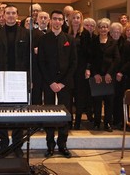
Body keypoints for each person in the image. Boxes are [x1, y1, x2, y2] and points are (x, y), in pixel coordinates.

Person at [0, 5, 30, 158]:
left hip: (19, 78)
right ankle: (3, 144)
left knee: (19, 112)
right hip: (0, 77)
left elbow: (29, 58)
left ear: (17, 15)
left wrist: (29, 79)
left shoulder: (26, 33)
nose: (11, 16)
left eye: (13, 13)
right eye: (8, 13)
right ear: (3, 15)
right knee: (1, 112)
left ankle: (17, 144)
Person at [38, 10, 77, 158]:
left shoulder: (69, 39)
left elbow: (74, 63)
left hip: (65, 85)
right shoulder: (43, 39)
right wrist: (51, 82)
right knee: (49, 115)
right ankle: (50, 145)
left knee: (64, 115)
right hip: (49, 84)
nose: (57, 22)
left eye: (60, 19)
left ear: (63, 21)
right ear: (50, 21)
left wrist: (62, 83)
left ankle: (63, 144)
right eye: (54, 19)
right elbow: (41, 62)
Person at [90, 18, 120, 132]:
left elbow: (117, 59)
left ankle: (108, 123)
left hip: (109, 76)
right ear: (98, 29)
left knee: (109, 101)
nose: (103, 29)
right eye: (101, 27)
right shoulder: (94, 41)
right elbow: (91, 59)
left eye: (105, 27)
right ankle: (97, 122)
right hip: (97, 75)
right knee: (97, 101)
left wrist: (109, 73)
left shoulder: (113, 42)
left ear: (108, 29)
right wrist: (96, 74)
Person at [110, 22, 130, 130]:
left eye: (118, 32)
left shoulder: (127, 44)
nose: (116, 34)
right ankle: (114, 119)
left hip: (123, 75)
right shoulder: (108, 43)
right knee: (112, 98)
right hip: (111, 75)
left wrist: (121, 72)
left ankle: (124, 121)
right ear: (110, 32)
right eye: (114, 32)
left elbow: (129, 61)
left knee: (122, 98)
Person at [31, 11, 50, 105]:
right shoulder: (31, 34)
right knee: (36, 94)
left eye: (45, 18)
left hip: (49, 69)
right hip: (36, 70)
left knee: (49, 95)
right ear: (37, 20)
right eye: (41, 18)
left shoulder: (53, 33)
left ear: (49, 20)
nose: (43, 20)